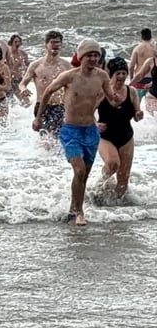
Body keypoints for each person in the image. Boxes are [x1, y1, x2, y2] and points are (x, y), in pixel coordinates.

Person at [34, 38, 116, 226]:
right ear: (81, 57)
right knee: (79, 170)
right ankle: (80, 212)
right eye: (89, 55)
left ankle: (73, 209)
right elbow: (47, 92)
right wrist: (38, 117)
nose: (93, 58)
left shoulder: (102, 76)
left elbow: (111, 98)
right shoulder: (69, 76)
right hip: (70, 130)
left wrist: (121, 101)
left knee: (83, 175)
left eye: (96, 55)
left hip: (90, 131)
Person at [97, 57, 142, 197]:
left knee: (123, 177)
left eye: (124, 73)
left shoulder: (132, 91)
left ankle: (117, 205)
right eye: (118, 73)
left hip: (126, 136)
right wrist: (95, 124)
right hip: (105, 136)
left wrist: (139, 114)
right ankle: (99, 187)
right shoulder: (101, 91)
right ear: (111, 74)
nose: (122, 76)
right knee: (112, 164)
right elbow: (86, 111)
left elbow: (136, 115)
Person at [20, 31, 72, 136]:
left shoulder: (66, 66)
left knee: (58, 139)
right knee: (44, 139)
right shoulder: (36, 65)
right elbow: (22, 83)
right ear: (46, 44)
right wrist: (23, 89)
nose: (56, 45)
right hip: (42, 107)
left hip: (59, 106)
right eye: (52, 42)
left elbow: (73, 86)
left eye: (58, 42)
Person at [128, 28, 155, 99]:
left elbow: (131, 66)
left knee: (137, 104)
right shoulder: (155, 49)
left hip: (139, 80)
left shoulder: (137, 49)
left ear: (142, 37)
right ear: (150, 36)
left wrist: (131, 79)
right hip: (153, 80)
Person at [7, 34, 30, 106]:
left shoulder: (23, 53)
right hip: (8, 81)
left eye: (19, 42)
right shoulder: (7, 54)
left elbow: (29, 66)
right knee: (11, 104)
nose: (17, 43)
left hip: (18, 81)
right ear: (11, 43)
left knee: (26, 103)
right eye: (15, 42)